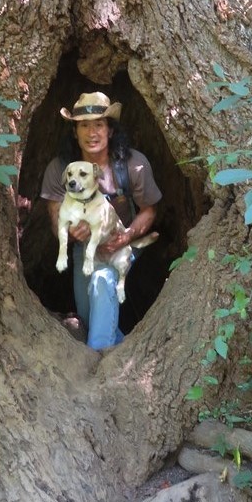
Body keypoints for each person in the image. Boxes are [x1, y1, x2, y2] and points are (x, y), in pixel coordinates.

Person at [41, 92, 162, 350]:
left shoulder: (132, 164)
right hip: (85, 251)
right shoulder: (61, 169)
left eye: (99, 124)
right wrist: (74, 233)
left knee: (103, 280)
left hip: (123, 244)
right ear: (75, 131)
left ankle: (99, 360)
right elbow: (56, 222)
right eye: (84, 125)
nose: (91, 132)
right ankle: (123, 347)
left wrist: (126, 237)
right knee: (93, 319)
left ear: (110, 130)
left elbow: (149, 211)